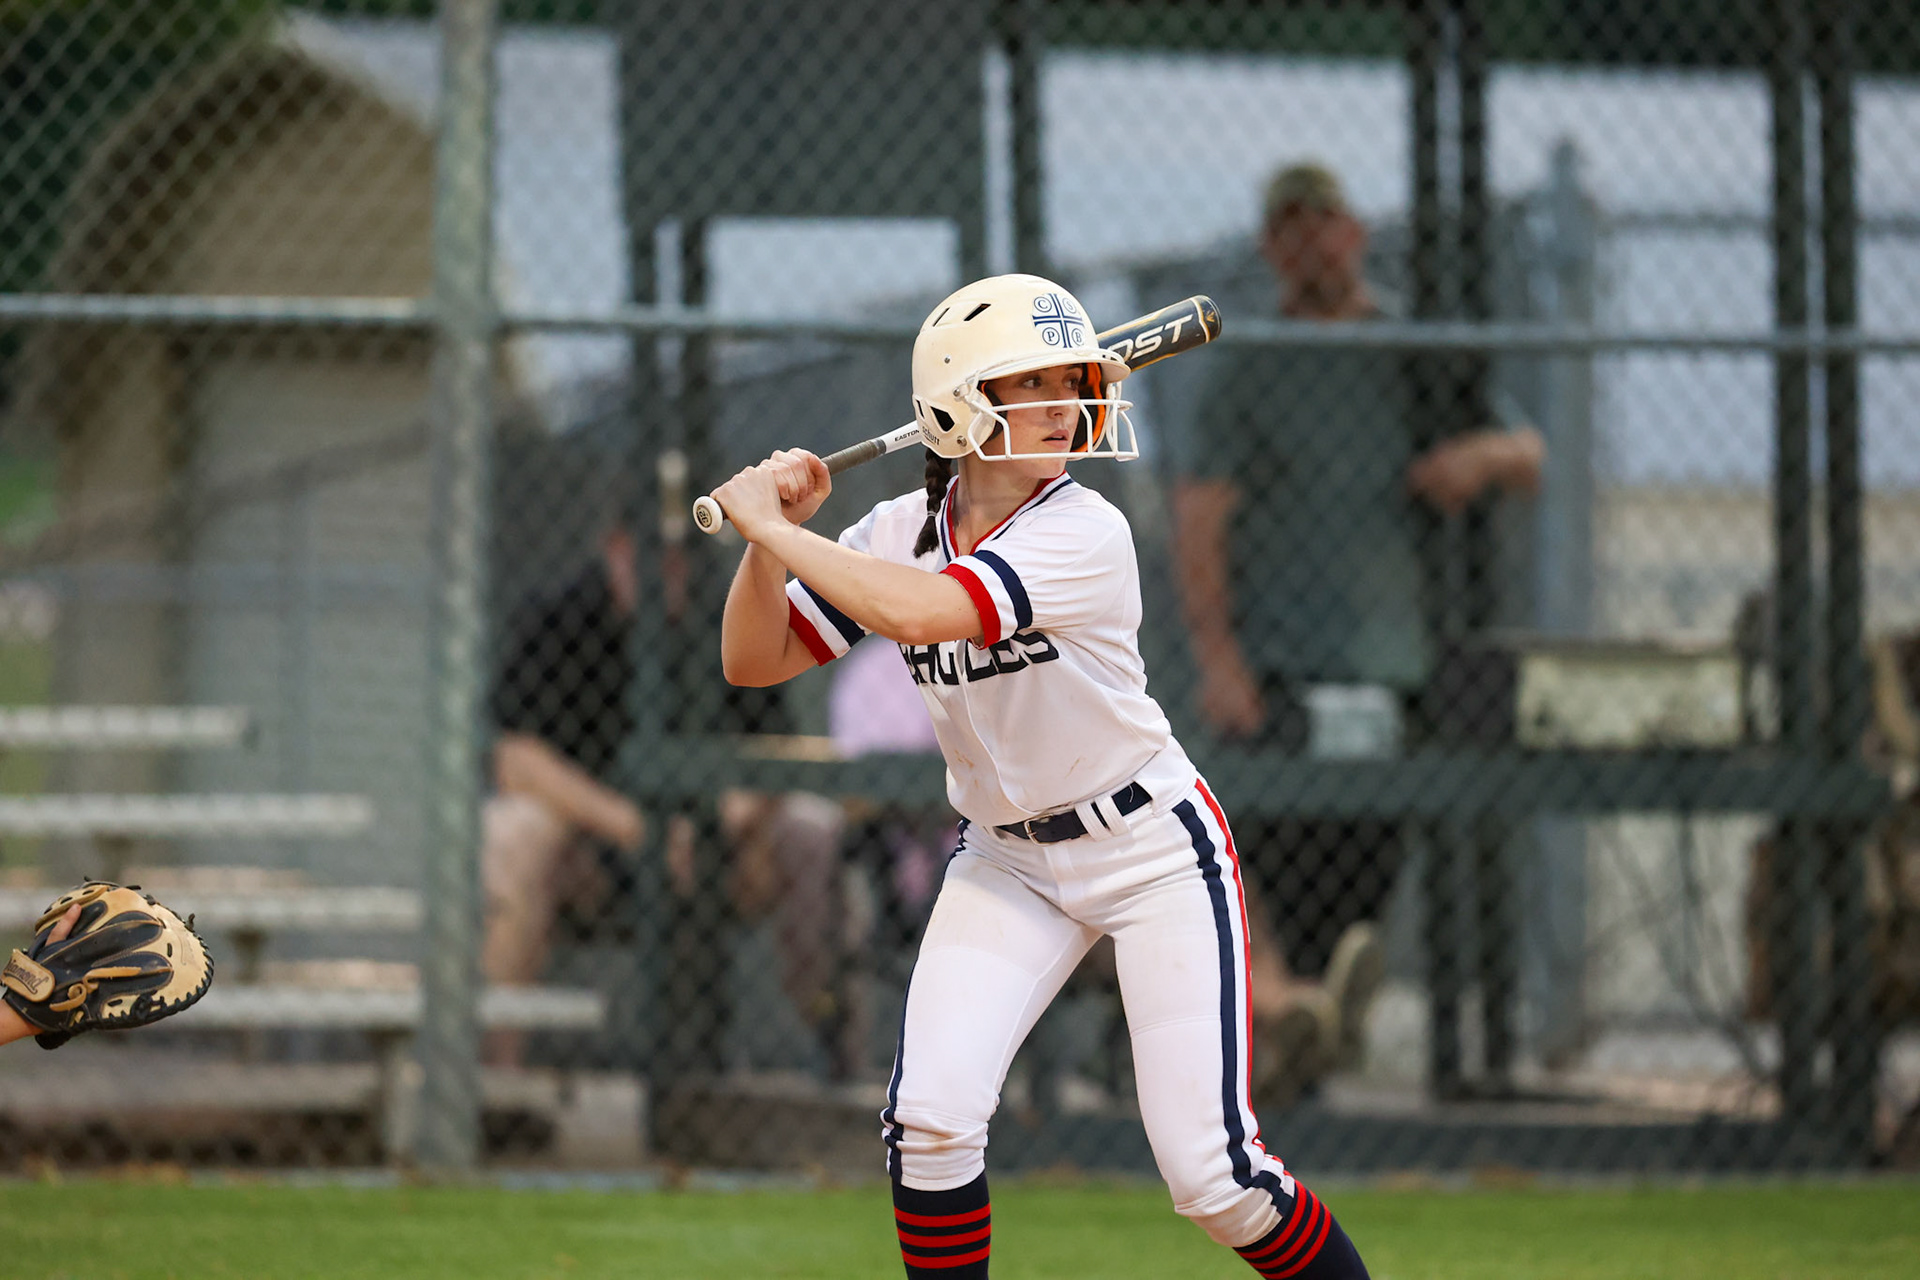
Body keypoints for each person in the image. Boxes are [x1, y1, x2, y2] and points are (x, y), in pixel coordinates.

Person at [713, 273, 1370, 1279]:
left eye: (1072, 381)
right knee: (929, 1121)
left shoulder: (1085, 530)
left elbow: (930, 613)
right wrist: (767, 549)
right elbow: (757, 658)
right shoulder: (897, 529)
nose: (1068, 404)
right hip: (1007, 859)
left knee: (1214, 1176)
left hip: (1150, 847)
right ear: (960, 407)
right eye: (1033, 386)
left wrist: (778, 527)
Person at [1171, 162, 1545, 1093]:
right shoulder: (1252, 366)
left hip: (1398, 661)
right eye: (1289, 230)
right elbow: (1200, 518)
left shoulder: (1413, 351)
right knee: (1270, 859)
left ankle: (1315, 1021)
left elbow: (1529, 452)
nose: (1310, 246)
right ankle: (1296, 1020)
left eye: (1324, 225)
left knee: (1363, 878)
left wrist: (1477, 458)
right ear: (1270, 248)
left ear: (1356, 232)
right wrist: (1219, 657)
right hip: (1283, 663)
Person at [482, 497, 844, 1068]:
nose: (673, 571)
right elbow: (515, 761)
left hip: (716, 854)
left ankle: (845, 1068)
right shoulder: (561, 615)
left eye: (686, 556)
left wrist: (716, 824)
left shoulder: (729, 614)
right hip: (594, 852)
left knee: (811, 830)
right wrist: (638, 829)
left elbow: (777, 754)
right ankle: (493, 1082)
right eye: (658, 555)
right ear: (617, 548)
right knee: (515, 830)